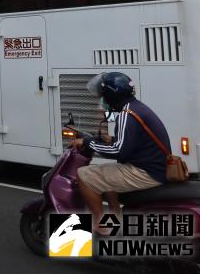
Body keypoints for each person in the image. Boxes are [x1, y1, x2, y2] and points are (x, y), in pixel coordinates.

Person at [70, 72, 169, 232]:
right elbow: (132, 141)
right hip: (154, 168)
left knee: (84, 175)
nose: (102, 100)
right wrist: (113, 139)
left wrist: (87, 142)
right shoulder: (136, 108)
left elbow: (119, 151)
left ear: (111, 95)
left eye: (104, 96)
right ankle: (116, 218)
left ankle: (102, 227)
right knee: (106, 176)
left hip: (146, 172)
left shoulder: (126, 115)